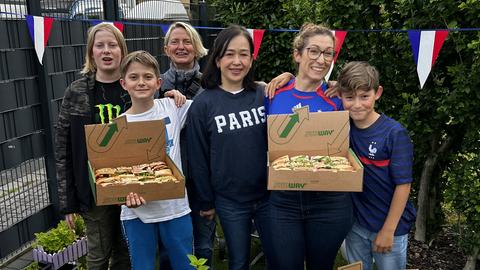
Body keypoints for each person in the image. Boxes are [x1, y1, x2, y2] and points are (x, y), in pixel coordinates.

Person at [264, 23, 353, 270]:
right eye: (314, 51)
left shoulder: (339, 97)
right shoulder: (273, 93)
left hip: (329, 202)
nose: (321, 59)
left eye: (328, 53)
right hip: (285, 201)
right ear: (297, 54)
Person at [187, 25, 269, 270]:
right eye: (230, 54)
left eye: (243, 54)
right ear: (218, 58)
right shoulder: (203, 104)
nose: (237, 61)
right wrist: (206, 201)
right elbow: (198, 158)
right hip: (231, 201)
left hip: (269, 196)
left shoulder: (264, 95)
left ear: (252, 59)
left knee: (279, 257)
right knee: (238, 261)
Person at [55, 23, 131, 270]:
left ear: (122, 51)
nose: (106, 51)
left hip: (131, 183)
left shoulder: (133, 86)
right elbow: (63, 149)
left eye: (113, 45)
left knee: (126, 248)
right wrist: (68, 202)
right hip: (93, 189)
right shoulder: (76, 92)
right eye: (100, 46)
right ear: (91, 53)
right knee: (99, 253)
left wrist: (172, 94)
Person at [335, 61, 416, 270]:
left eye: (364, 96)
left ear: (377, 93)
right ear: (340, 96)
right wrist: (288, 76)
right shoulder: (342, 128)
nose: (357, 104)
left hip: (390, 227)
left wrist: (388, 230)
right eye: (349, 98)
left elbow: (403, 185)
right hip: (356, 225)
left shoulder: (394, 133)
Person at [118, 50, 194, 270]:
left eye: (148, 77)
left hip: (175, 208)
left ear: (159, 82)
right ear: (124, 83)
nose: (141, 82)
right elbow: (115, 173)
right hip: (136, 213)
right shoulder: (118, 125)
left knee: (186, 265)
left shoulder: (172, 107)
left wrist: (257, 85)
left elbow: (213, 100)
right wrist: (125, 195)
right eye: (134, 77)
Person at [158, 22, 216, 269]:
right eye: (175, 42)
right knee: (169, 247)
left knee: (203, 245)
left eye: (187, 41)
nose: (181, 47)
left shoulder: (211, 86)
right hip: (167, 179)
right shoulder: (155, 85)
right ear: (166, 48)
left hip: (203, 178)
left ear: (197, 47)